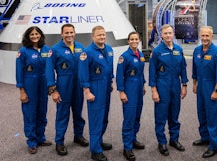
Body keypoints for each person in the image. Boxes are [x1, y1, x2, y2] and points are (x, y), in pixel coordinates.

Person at [45, 24, 89, 156]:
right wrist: (53, 90)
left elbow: (85, 66)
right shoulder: (55, 50)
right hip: (63, 85)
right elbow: (49, 70)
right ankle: (59, 142)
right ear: (62, 34)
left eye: (71, 32)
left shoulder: (80, 47)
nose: (69, 35)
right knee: (62, 114)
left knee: (78, 113)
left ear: (75, 33)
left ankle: (78, 136)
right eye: (66, 33)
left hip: (78, 86)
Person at [149, 24, 188, 156]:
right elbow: (152, 72)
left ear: (173, 34)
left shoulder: (179, 49)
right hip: (162, 85)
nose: (168, 35)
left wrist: (184, 85)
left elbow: (183, 68)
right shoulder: (157, 51)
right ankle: (161, 142)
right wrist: (154, 90)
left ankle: (174, 139)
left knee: (174, 114)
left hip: (175, 85)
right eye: (165, 33)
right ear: (161, 35)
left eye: (170, 33)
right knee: (161, 116)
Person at [79, 26, 114, 161]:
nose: (102, 37)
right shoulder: (86, 52)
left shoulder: (109, 50)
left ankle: (98, 141)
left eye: (103, 35)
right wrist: (87, 91)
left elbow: (109, 69)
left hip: (106, 87)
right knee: (96, 118)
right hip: (95, 87)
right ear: (93, 37)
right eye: (99, 35)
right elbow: (83, 73)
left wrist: (110, 82)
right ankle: (95, 150)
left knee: (104, 116)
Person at [16, 26, 52, 154]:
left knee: (42, 111)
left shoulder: (47, 49)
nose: (35, 36)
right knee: (30, 113)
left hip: (43, 84)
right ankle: (32, 141)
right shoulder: (23, 51)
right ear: (28, 36)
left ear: (41, 35)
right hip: (29, 83)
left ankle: (40, 138)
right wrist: (21, 90)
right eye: (32, 34)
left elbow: (50, 68)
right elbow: (19, 71)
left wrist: (50, 85)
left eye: (37, 34)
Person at [192, 26, 217, 158]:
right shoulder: (197, 50)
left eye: (207, 36)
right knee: (202, 113)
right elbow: (195, 69)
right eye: (203, 35)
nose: (205, 38)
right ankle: (205, 137)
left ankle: (214, 145)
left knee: (213, 116)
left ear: (212, 36)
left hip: (212, 85)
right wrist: (195, 84)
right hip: (201, 85)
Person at [116, 32, 146, 161]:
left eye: (136, 39)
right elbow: (119, 76)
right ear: (128, 41)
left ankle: (133, 139)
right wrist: (121, 91)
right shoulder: (124, 57)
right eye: (132, 39)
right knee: (129, 118)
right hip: (129, 88)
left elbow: (141, 72)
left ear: (139, 40)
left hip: (139, 88)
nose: (134, 41)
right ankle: (127, 148)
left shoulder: (141, 54)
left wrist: (143, 84)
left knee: (137, 116)